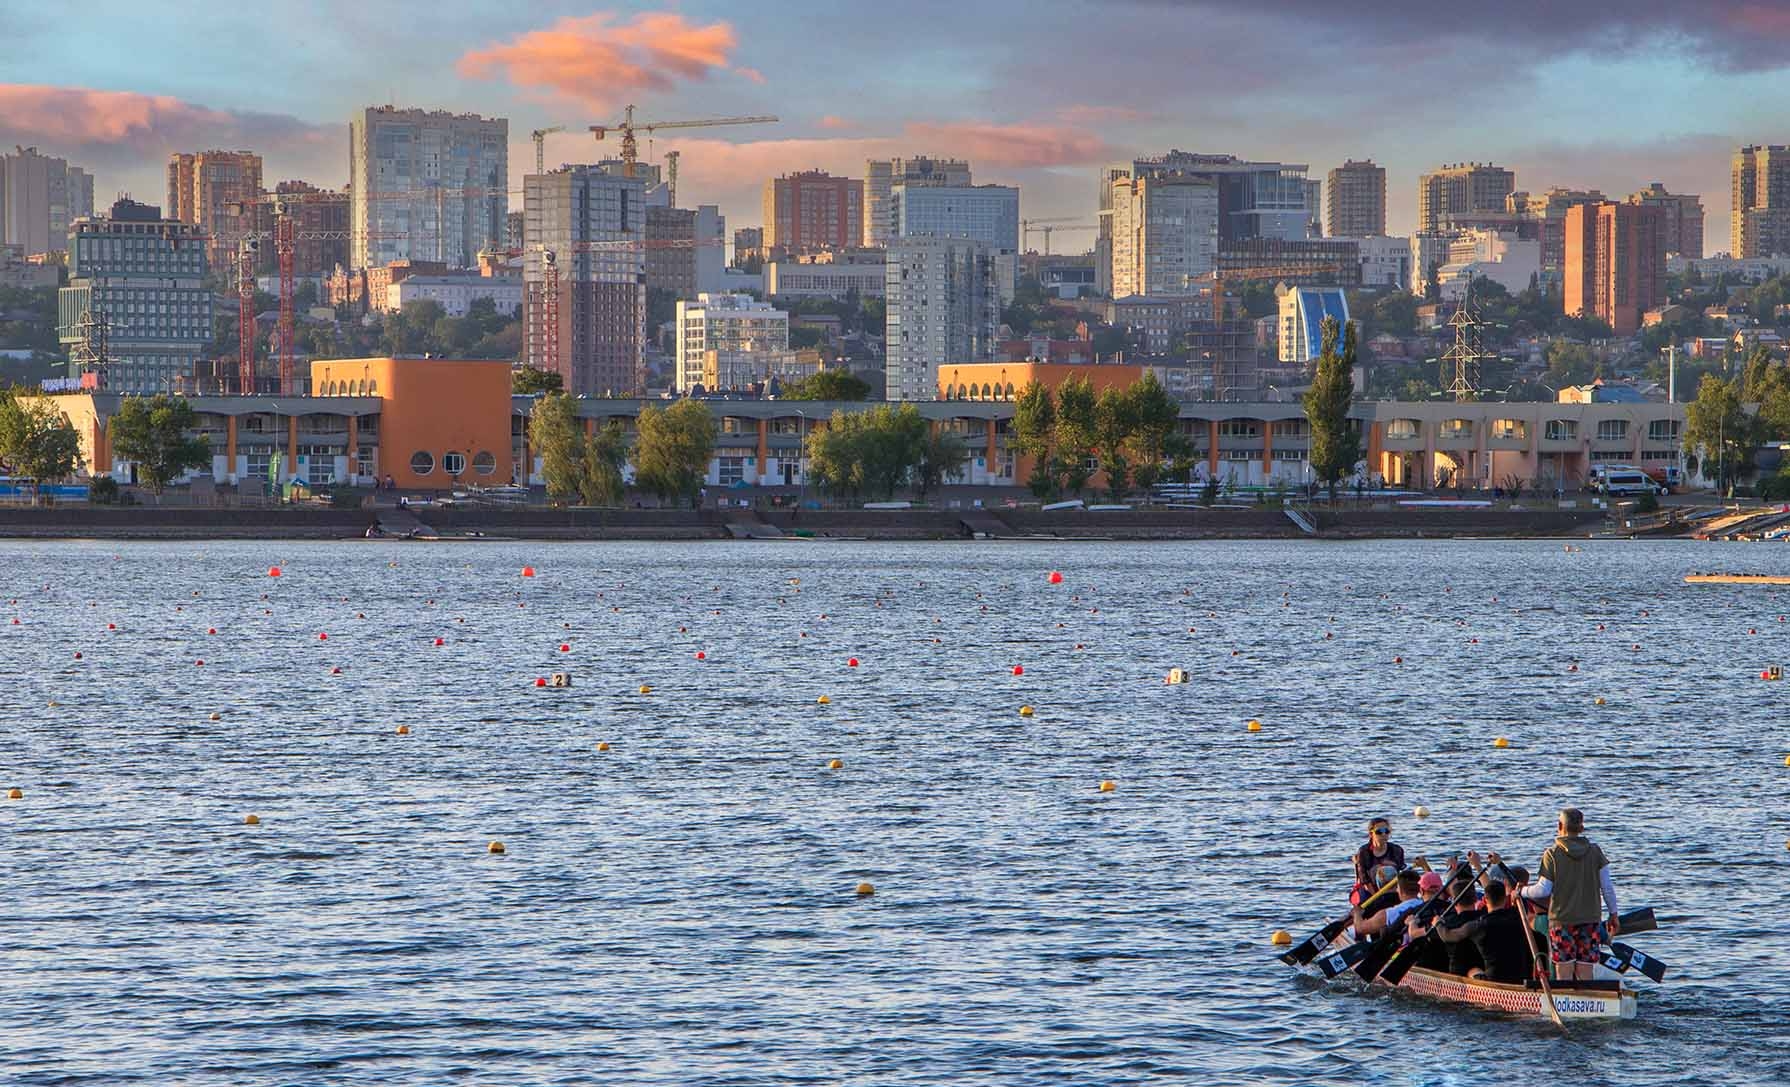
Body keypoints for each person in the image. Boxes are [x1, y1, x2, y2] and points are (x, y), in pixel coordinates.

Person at [1519, 807, 1618, 982]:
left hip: (1561, 921)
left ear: (1560, 826)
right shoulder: (1595, 852)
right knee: (1585, 972)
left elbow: (1543, 890)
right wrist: (1613, 914)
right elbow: (1607, 888)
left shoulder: (1552, 854)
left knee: (1563, 972)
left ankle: (1565, 998)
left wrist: (1521, 891)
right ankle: (1586, 997)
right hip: (1590, 920)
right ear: (1581, 828)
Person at [1438, 880, 1536, 983]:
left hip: (1493, 980)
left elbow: (1448, 936)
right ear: (1505, 898)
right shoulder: (1518, 915)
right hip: (1522, 978)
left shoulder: (1478, 925)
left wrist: (1438, 924)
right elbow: (1523, 904)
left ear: (1484, 899)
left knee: (1472, 970)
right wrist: (1516, 896)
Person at [1351, 869, 1424, 939]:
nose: (1396, 890)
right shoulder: (1426, 904)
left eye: (1397, 887)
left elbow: (1360, 929)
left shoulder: (1389, 914)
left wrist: (1357, 913)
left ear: (1400, 890)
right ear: (1420, 889)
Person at [1351, 817, 1406, 906]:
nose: (1384, 834)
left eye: (1387, 831)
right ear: (1371, 834)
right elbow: (1365, 881)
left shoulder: (1397, 850)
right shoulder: (1364, 852)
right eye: (1379, 832)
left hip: (1392, 889)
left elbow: (1400, 875)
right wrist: (1377, 898)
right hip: (1370, 891)